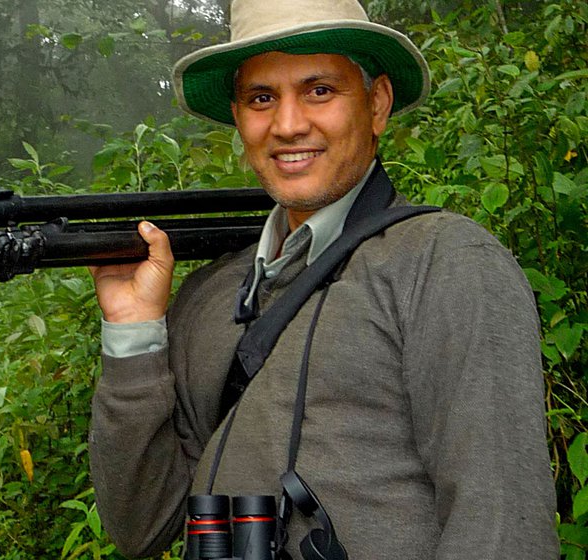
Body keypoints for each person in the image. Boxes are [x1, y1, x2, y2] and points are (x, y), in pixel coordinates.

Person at [87, 0, 558, 558]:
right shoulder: (214, 292)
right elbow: (141, 525)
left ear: (377, 104)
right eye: (262, 98)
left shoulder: (445, 262)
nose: (288, 125)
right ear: (240, 119)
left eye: (320, 91)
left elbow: (502, 526)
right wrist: (134, 332)